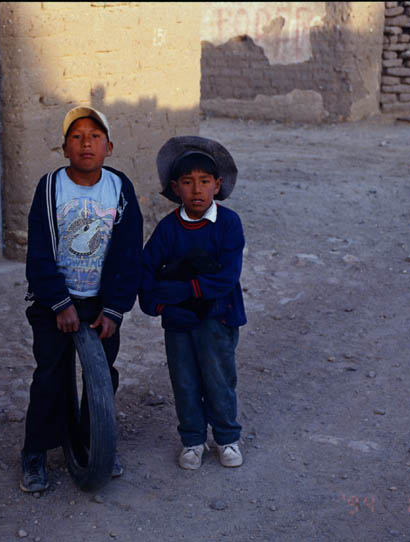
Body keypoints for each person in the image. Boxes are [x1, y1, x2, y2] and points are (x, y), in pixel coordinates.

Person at [21, 106, 143, 492]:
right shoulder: (51, 187)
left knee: (102, 378)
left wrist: (114, 309)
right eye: (77, 137)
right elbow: (38, 250)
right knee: (49, 377)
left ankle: (96, 442)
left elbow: (128, 251)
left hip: (100, 302)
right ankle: (35, 453)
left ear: (109, 147)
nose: (86, 142)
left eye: (94, 136)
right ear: (64, 148)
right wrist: (59, 302)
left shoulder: (119, 188)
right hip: (55, 300)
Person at [138, 136, 246, 470]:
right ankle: (192, 440)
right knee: (184, 380)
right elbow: (146, 266)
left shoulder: (228, 224)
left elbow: (226, 276)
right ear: (175, 187)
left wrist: (181, 289)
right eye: (187, 183)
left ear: (218, 184)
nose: (196, 190)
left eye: (203, 182)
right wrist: (155, 302)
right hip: (179, 323)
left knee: (218, 377)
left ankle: (227, 437)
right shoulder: (169, 228)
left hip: (218, 318)